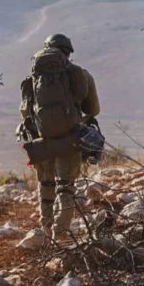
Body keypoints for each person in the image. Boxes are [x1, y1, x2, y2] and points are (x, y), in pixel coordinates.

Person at [21, 33, 100, 241]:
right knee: (65, 187)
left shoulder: (32, 79)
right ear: (67, 52)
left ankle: (46, 231)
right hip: (69, 140)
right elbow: (94, 109)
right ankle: (61, 236)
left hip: (42, 141)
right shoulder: (80, 74)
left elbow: (25, 112)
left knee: (46, 185)